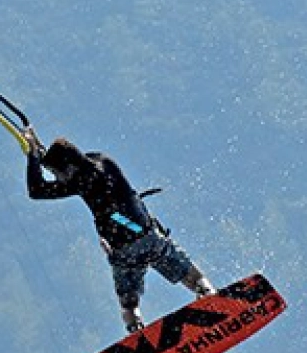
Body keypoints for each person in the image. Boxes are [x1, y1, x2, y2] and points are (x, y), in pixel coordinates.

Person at [23, 130, 215, 332]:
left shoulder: (78, 182)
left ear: (69, 168)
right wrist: (41, 153)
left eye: (57, 174)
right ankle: (209, 293)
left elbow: (37, 190)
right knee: (190, 275)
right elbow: (76, 169)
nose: (58, 179)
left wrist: (33, 156)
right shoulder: (100, 162)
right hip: (148, 238)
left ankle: (136, 329)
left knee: (128, 304)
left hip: (124, 252)